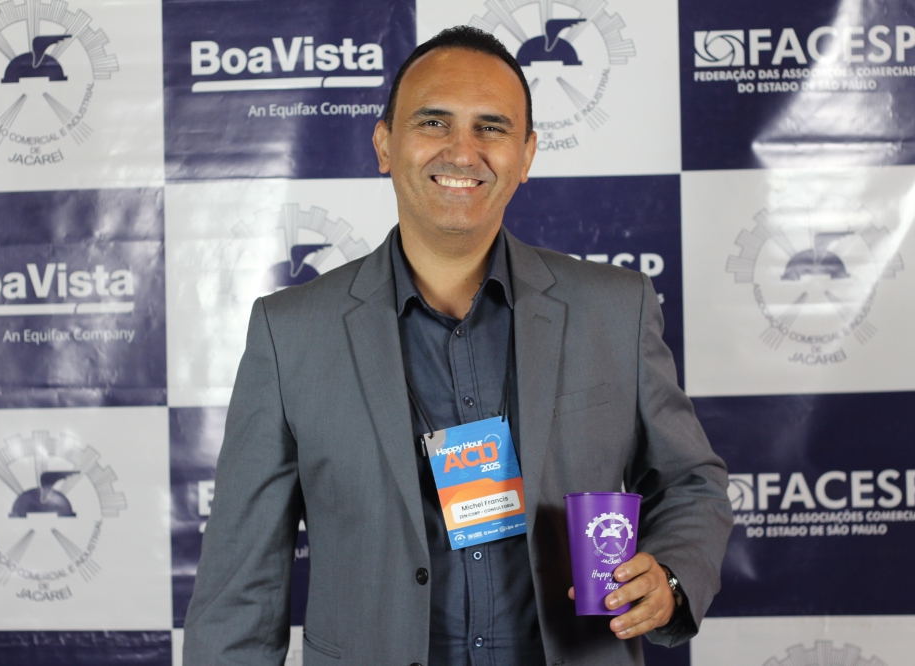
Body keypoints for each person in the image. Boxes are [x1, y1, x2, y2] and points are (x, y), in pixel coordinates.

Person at [183, 26, 732, 666]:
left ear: (526, 156)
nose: (463, 151)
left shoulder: (615, 308)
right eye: (434, 122)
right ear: (385, 144)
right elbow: (240, 590)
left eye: (491, 128)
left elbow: (691, 484)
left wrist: (670, 578)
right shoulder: (291, 332)